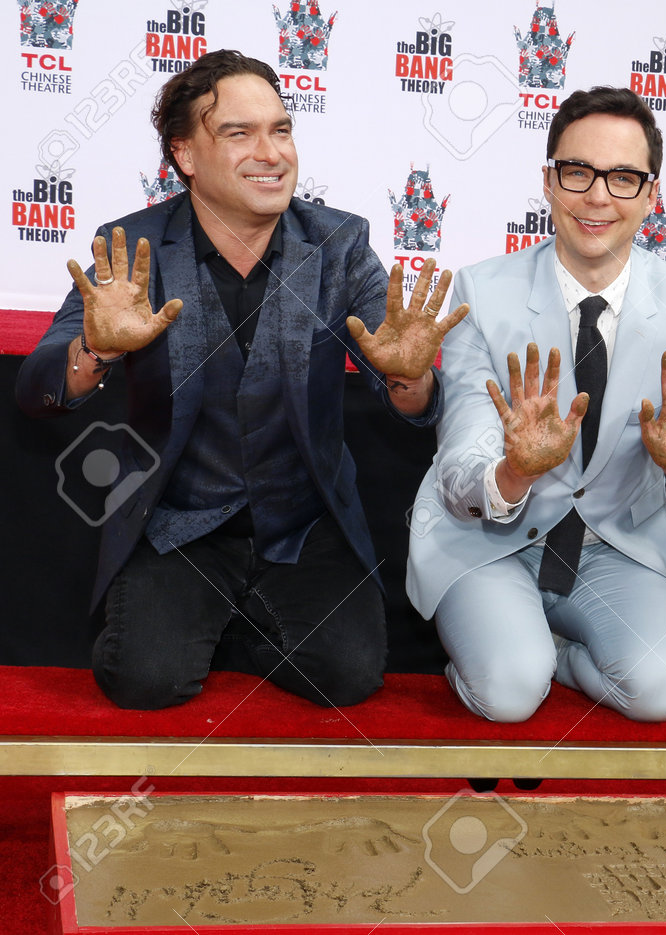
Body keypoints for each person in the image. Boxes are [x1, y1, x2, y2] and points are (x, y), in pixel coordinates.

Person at [16, 50, 466, 710]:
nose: (271, 153)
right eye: (239, 133)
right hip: (175, 522)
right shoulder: (133, 247)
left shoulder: (339, 244)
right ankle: (203, 620)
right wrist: (95, 350)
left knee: (346, 677)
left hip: (302, 523)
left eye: (281, 130)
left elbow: (410, 400)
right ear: (185, 154)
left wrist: (408, 376)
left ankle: (236, 630)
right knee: (146, 680)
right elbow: (37, 388)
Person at [406, 87, 666, 723]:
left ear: (651, 195)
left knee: (658, 693)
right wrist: (515, 471)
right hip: (489, 540)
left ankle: (555, 657)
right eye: (578, 171)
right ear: (549, 182)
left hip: (618, 547)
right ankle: (508, 660)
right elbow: (459, 466)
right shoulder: (481, 290)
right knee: (508, 694)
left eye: (623, 177)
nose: (598, 196)